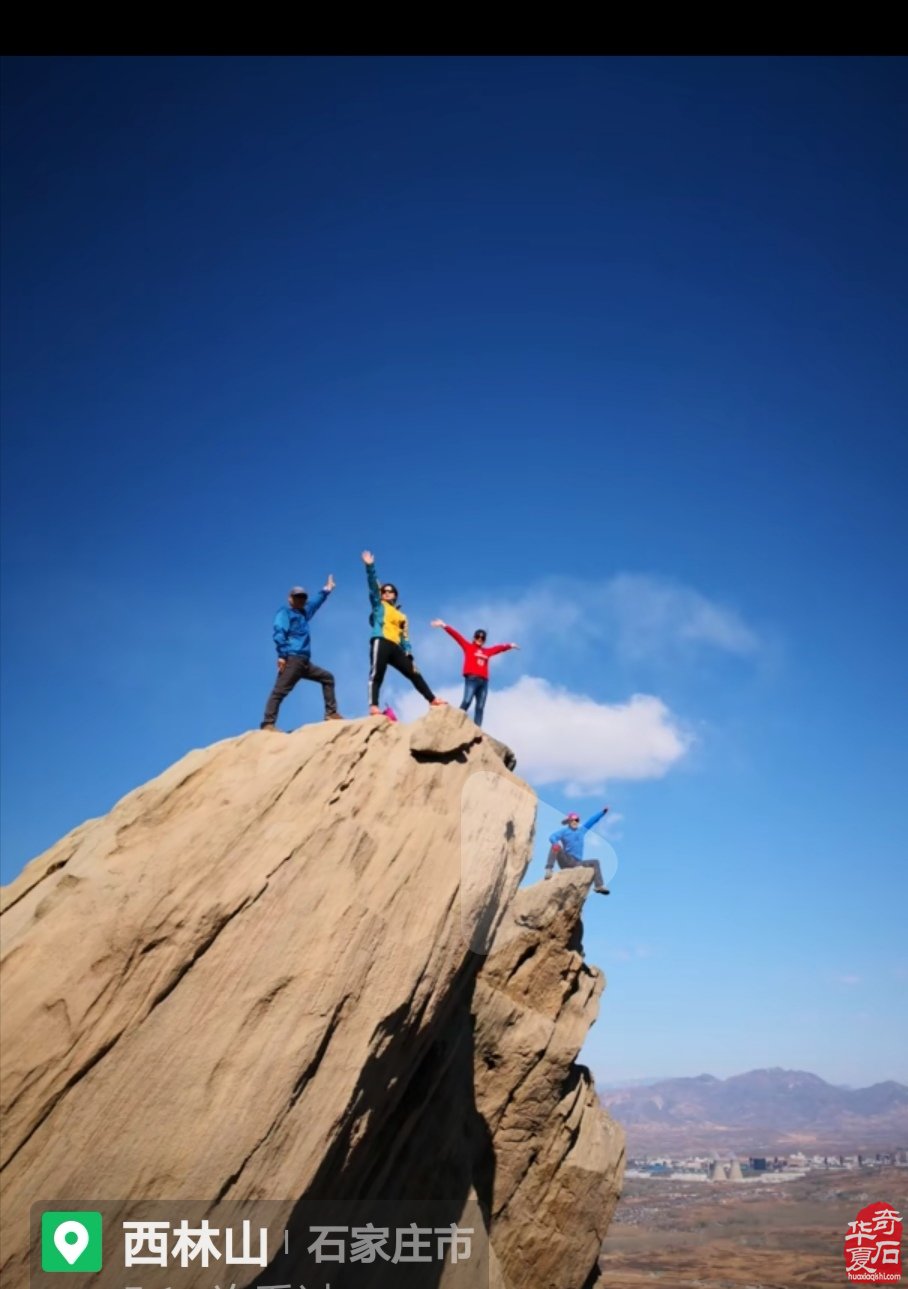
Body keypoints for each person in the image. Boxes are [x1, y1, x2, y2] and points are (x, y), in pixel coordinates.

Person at [362, 550, 447, 715]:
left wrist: (408, 653)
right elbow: (373, 586)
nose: (386, 593)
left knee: (414, 672)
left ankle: (432, 699)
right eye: (384, 591)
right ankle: (373, 706)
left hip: (396, 647)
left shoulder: (402, 616)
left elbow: (405, 637)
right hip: (381, 640)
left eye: (390, 591)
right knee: (377, 672)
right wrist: (370, 566)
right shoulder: (379, 606)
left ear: (395, 595)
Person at [260, 577, 342, 729]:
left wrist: (327, 589)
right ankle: (268, 724)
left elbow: (316, 603)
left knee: (328, 678)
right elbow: (279, 633)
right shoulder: (285, 612)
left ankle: (331, 713)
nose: (301, 600)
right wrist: (282, 655)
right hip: (292, 659)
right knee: (279, 691)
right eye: (297, 597)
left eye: (303, 597)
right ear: (290, 599)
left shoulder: (304, 613)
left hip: (304, 663)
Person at [430, 620, 519, 727]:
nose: (480, 639)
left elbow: (498, 649)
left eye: (482, 638)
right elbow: (457, 636)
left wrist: (510, 645)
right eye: (478, 636)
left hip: (484, 682)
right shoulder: (468, 647)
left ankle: (477, 729)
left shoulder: (487, 651)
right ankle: (455, 722)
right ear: (474, 637)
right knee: (467, 701)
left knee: (480, 707)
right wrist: (443, 625)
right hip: (472, 679)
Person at [545, 807, 610, 895]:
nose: (575, 822)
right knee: (555, 846)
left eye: (577, 820)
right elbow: (552, 837)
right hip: (566, 860)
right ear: (569, 821)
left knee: (595, 862)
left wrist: (602, 812)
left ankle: (599, 886)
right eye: (573, 820)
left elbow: (591, 821)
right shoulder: (564, 831)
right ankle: (549, 869)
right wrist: (555, 843)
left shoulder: (581, 831)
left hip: (577, 863)